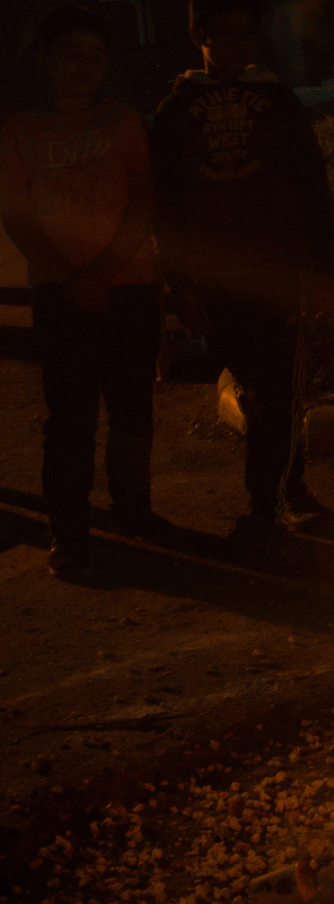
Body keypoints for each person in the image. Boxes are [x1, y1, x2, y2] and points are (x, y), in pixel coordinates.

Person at [150, 0, 334, 548]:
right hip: (216, 279)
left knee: (277, 389)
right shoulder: (175, 112)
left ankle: (269, 507)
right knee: (258, 389)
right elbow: (166, 208)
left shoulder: (278, 103)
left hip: (277, 273)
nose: (237, 45)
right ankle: (289, 490)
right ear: (197, 34)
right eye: (224, 34)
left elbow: (312, 189)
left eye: (246, 35)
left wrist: (322, 268)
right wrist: (180, 286)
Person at [0, 7, 169, 576]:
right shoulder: (21, 131)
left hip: (130, 290)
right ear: (45, 60)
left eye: (95, 56)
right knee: (69, 418)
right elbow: (19, 220)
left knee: (132, 410)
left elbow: (143, 203)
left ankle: (134, 511)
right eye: (72, 54)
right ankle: (67, 535)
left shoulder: (121, 122)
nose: (85, 67)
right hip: (60, 296)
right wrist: (73, 278)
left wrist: (103, 272)